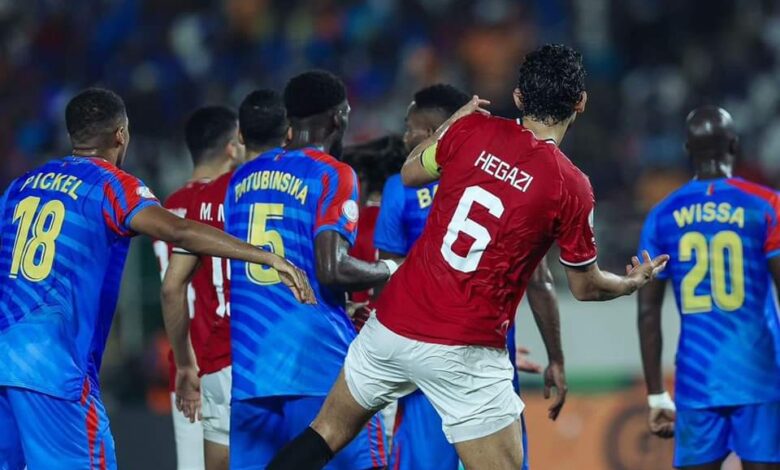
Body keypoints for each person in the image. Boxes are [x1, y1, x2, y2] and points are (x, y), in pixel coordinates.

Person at [268, 44, 668, 470]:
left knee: (325, 432)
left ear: (518, 97)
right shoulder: (572, 186)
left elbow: (409, 172)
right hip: (465, 350)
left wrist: (451, 123)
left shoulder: (473, 131)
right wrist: (630, 282)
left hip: (393, 325)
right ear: (580, 103)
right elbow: (585, 287)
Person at [0, 88, 314, 470]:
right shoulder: (111, 184)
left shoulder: (20, 186)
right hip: (54, 369)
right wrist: (266, 255)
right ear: (121, 134)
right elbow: (178, 231)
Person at [375, 84, 566, 470]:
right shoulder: (510, 180)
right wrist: (556, 358)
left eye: (411, 129)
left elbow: (387, 281)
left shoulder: (399, 189)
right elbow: (540, 279)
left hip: (424, 361)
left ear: (436, 132)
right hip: (488, 357)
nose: (405, 138)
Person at [224, 71, 394, 470]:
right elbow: (332, 269)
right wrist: (390, 269)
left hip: (252, 369)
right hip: (319, 365)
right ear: (338, 117)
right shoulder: (332, 173)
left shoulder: (240, 180)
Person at [637, 106, 780, 470]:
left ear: (688, 150)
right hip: (760, 375)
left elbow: (648, 311)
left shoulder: (662, 216)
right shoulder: (766, 206)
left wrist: (656, 394)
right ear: (734, 145)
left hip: (698, 379)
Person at [154, 105, 245, 470]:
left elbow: (173, 286)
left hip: (184, 360)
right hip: (220, 353)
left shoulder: (167, 207)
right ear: (231, 147)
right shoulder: (220, 200)